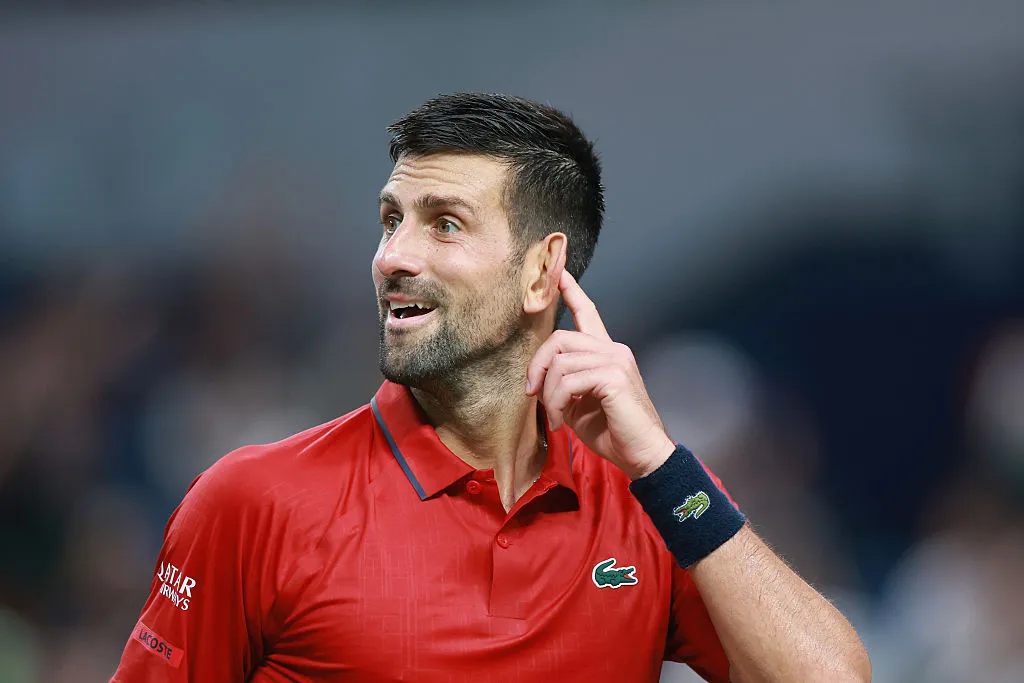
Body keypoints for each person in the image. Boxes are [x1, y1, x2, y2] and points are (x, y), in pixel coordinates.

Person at [109, 93, 870, 682]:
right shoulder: (253, 501)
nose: (393, 257)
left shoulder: (650, 504)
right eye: (390, 219)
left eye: (444, 224)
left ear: (542, 270)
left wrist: (665, 467)